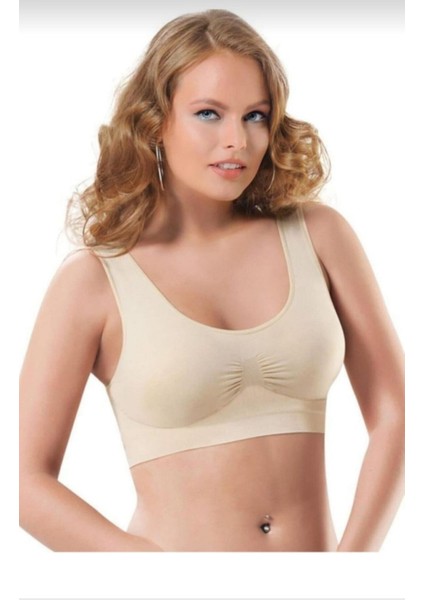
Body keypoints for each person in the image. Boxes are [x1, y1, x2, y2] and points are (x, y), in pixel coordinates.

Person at [19, 9, 404, 552]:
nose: (237, 140)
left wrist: (350, 571)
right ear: (155, 122)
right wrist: (150, 573)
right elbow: (22, 480)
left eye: (255, 116)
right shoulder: (96, 279)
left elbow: (399, 415)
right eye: (208, 114)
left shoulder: (319, 236)